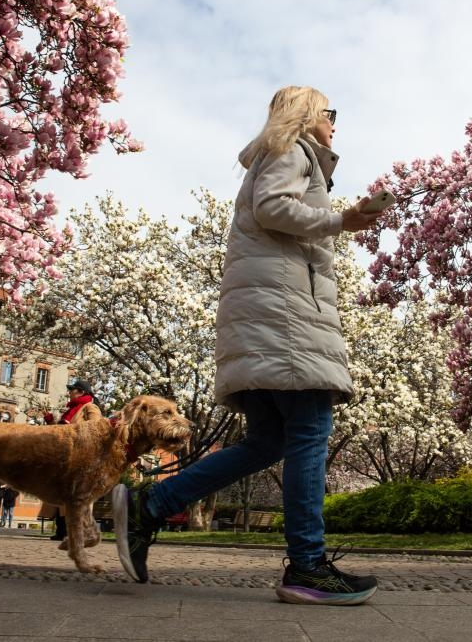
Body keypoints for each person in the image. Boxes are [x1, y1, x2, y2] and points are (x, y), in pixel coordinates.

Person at [112, 85, 382, 605]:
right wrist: (339, 220)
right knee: (308, 431)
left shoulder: (281, 154)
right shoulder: (292, 149)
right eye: (331, 113)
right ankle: (307, 566)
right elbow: (274, 207)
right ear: (309, 115)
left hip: (267, 320)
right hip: (285, 321)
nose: (335, 124)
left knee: (268, 441)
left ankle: (154, 503)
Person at [43, 379, 104, 540]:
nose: (69, 392)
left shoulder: (90, 407)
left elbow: (96, 428)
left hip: (81, 457)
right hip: (66, 457)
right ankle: (62, 530)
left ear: (81, 392)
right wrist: (51, 422)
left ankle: (79, 531)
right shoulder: (71, 410)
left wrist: (73, 432)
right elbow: (61, 432)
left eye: (72, 390)